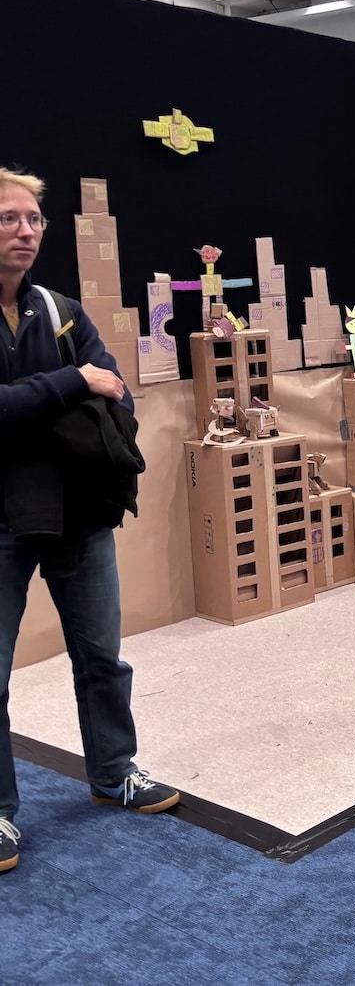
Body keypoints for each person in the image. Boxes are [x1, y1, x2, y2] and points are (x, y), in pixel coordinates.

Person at [0, 167, 178, 875]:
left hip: (77, 512)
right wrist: (69, 383)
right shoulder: (62, 337)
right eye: (8, 218)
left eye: (33, 220)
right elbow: (88, 383)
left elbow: (120, 396)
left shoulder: (61, 310)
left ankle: (114, 772)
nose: (25, 231)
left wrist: (34, 402)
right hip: (2, 519)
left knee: (103, 656)